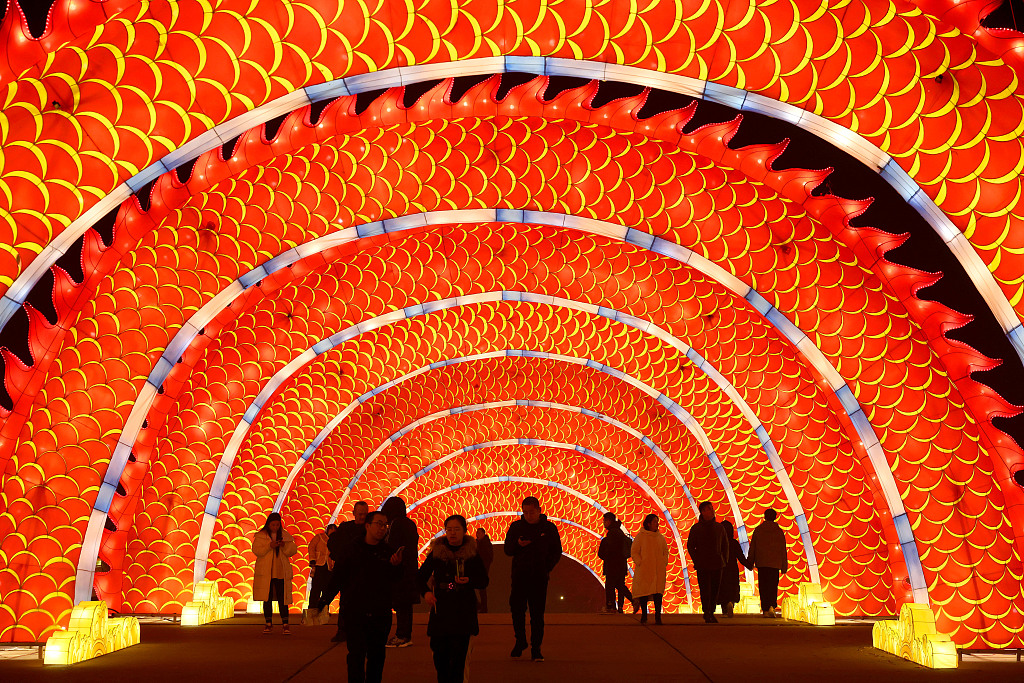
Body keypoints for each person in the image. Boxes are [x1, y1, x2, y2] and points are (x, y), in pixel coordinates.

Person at [335, 510, 404, 683]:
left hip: (380, 612)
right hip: (355, 611)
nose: (383, 528)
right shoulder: (352, 548)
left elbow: (396, 580)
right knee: (356, 655)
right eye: (379, 524)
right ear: (368, 525)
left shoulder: (388, 551)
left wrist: (395, 566)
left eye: (385, 525)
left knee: (377, 655)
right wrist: (322, 601)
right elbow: (339, 576)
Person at [419, 515, 489, 683]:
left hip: (463, 610)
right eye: (449, 529)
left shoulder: (472, 553)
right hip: (441, 609)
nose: (452, 533)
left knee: (459, 660)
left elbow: (483, 581)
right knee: (440, 657)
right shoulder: (437, 552)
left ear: (464, 531)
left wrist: (469, 580)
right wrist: (427, 593)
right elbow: (420, 577)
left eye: (456, 529)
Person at [503, 496, 562, 661]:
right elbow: (507, 550)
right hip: (520, 576)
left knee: (537, 614)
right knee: (517, 610)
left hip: (539, 577)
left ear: (539, 510)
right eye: (525, 512)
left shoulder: (549, 528)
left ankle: (536, 648)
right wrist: (517, 545)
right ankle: (520, 641)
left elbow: (557, 550)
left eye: (532, 512)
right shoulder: (516, 527)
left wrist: (546, 566)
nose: (529, 515)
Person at [319, 501, 369, 640]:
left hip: (364, 572)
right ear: (354, 513)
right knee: (345, 602)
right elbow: (336, 546)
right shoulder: (346, 528)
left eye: (365, 514)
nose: (362, 517)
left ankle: (362, 631)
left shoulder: (370, 528)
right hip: (348, 572)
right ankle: (343, 630)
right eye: (360, 514)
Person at [380, 496, 419, 648]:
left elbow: (392, 546)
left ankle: (402, 635)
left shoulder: (397, 524)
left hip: (400, 571)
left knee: (401, 604)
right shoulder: (409, 523)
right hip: (408, 570)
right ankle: (404, 634)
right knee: (405, 605)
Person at [251, 512, 299, 634]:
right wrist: (270, 546)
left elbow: (292, 550)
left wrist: (283, 546)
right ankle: (268, 623)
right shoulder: (261, 536)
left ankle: (285, 623)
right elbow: (257, 550)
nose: (275, 527)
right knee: (266, 598)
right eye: (273, 525)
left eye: (277, 525)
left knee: (283, 598)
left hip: (280, 572)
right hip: (267, 572)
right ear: (268, 524)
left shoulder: (285, 536)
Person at [686, 501, 729, 624]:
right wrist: (697, 559)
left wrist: (724, 560)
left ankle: (711, 611)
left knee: (715, 589)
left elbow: (725, 545)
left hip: (717, 563)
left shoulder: (719, 528)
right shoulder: (696, 528)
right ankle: (707, 611)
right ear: (703, 512)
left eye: (711, 508)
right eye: (708, 509)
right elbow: (690, 546)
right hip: (703, 564)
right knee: (705, 589)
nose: (712, 510)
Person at [747, 508, 789, 618]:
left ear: (764, 517)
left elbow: (753, 548)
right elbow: (782, 550)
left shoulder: (758, 530)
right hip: (775, 564)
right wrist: (784, 566)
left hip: (762, 562)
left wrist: (750, 561)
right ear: (775, 517)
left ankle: (765, 608)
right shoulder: (779, 531)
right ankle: (772, 606)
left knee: (764, 586)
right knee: (773, 585)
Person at [631, 513, 669, 625]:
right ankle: (644, 615)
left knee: (658, 593)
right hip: (645, 569)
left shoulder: (660, 538)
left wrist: (663, 562)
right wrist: (640, 562)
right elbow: (634, 551)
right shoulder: (641, 536)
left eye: (657, 522)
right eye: (654, 522)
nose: (657, 524)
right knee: (644, 592)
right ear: (648, 524)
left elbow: (665, 551)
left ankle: (658, 615)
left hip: (658, 570)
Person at [598, 512, 633, 613]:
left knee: (611, 585)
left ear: (609, 521)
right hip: (621, 564)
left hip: (613, 565)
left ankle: (611, 606)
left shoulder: (612, 533)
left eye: (604, 521)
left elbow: (609, 550)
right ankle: (620, 606)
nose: (603, 523)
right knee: (619, 585)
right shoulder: (619, 531)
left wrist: (605, 550)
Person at [717, 520, 752, 617]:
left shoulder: (718, 543)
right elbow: (741, 557)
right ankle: (731, 603)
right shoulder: (734, 543)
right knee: (732, 588)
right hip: (732, 570)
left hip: (721, 569)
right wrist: (749, 565)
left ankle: (724, 609)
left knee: (722, 589)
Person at [307, 524, 337, 613]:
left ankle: (324, 611)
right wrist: (312, 559)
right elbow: (311, 547)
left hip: (329, 567)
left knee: (326, 590)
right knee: (315, 589)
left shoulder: (336, 541)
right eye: (331, 530)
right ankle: (311, 610)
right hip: (319, 565)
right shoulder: (319, 537)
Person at [475, 527, 494, 613]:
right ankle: (482, 607)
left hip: (482, 569)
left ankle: (482, 607)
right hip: (480, 569)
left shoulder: (484, 544)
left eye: (478, 533)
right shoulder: (480, 543)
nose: (477, 534)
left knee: (481, 588)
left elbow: (487, 557)